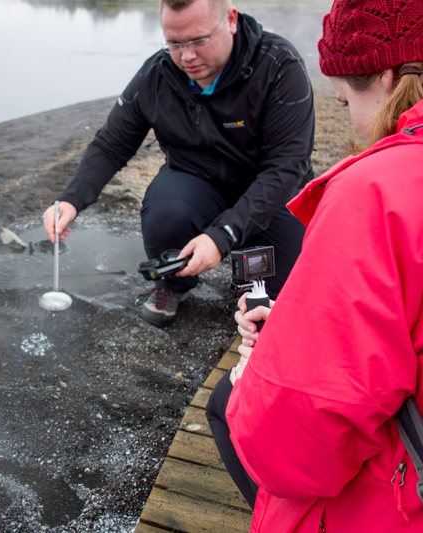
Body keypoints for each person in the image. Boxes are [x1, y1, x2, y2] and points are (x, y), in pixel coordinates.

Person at [205, 0, 423, 529]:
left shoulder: (376, 193)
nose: (348, 114)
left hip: (397, 499)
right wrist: (299, 323)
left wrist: (259, 370)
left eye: (344, 96)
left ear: (390, 76)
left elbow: (293, 442)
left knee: (228, 404)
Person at [43, 0, 314, 327]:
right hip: (197, 182)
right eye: (174, 43)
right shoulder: (157, 74)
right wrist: (72, 199)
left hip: (269, 191)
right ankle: (174, 284)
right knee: (165, 216)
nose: (186, 56)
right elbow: (112, 143)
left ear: (230, 20)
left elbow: (287, 166)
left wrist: (222, 235)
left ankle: (252, 278)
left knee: (286, 297)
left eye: (199, 40)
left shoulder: (278, 65)